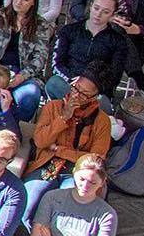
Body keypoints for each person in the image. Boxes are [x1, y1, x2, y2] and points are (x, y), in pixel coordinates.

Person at [20, 77, 112, 222]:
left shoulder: (102, 121)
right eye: (75, 88)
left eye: (84, 94)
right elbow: (40, 141)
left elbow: (96, 158)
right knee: (28, 204)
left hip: (78, 170)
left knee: (65, 207)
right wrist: (63, 118)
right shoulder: (53, 107)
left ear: (94, 98)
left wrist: (58, 149)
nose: (76, 95)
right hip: (48, 165)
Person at [0, 0, 57, 120]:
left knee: (30, 97)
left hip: (24, 74)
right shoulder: (0, 16)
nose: (19, 2)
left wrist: (22, 76)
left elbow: (40, 57)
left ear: (33, 3)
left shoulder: (41, 25)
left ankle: (13, 127)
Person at [50, 0, 131, 101]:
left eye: (106, 12)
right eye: (96, 8)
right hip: (68, 84)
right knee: (53, 83)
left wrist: (88, 86)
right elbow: (57, 63)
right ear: (91, 5)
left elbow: (114, 76)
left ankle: (81, 106)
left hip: (95, 92)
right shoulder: (69, 30)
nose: (98, 14)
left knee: (102, 102)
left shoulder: (117, 41)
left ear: (113, 15)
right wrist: (73, 80)